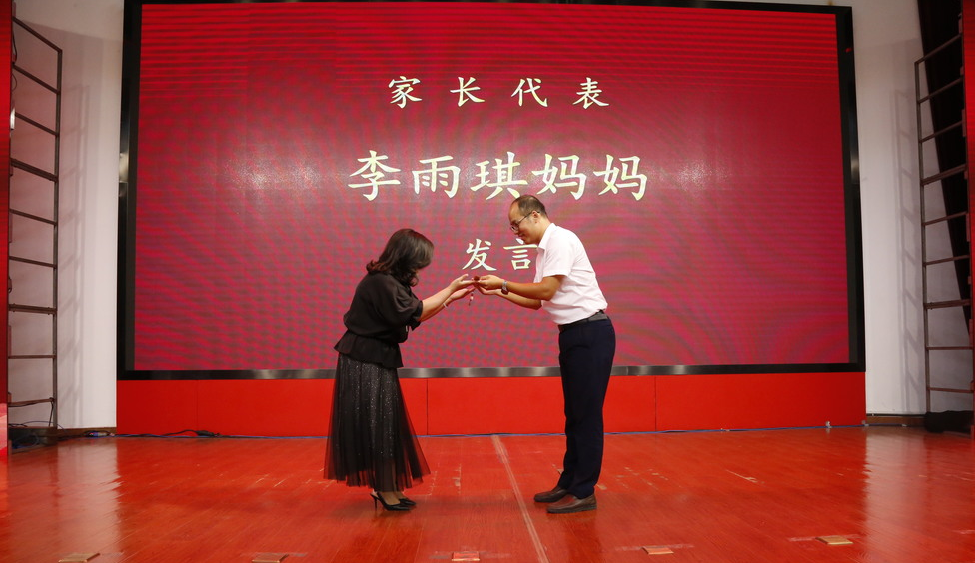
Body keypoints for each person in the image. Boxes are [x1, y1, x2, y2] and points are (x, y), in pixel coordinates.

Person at [475, 195, 615, 514]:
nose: (515, 232)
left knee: (586, 416)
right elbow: (538, 302)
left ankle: (584, 491)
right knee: (574, 415)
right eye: (512, 227)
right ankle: (570, 482)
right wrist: (499, 291)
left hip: (589, 333)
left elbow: (546, 290)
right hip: (574, 334)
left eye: (516, 225)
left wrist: (504, 281)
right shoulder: (544, 249)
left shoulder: (561, 240)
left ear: (535, 216)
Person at [325, 228, 474, 511]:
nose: (421, 267)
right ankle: (384, 488)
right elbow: (416, 311)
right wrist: (450, 291)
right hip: (364, 359)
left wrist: (450, 297)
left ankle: (389, 486)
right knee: (379, 426)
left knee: (386, 425)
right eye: (419, 261)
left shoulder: (390, 281)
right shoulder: (381, 282)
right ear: (406, 256)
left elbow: (416, 315)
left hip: (376, 357)